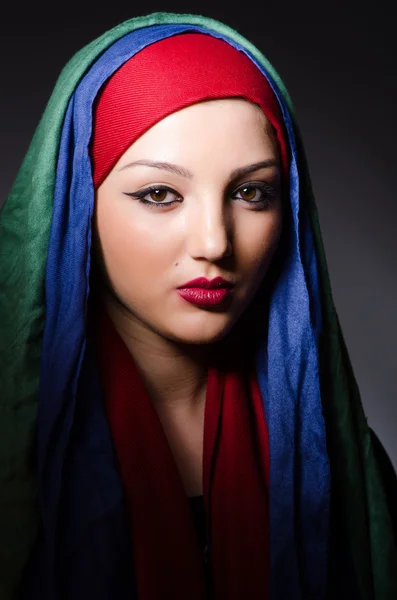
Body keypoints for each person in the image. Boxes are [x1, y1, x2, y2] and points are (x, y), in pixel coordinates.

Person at [0, 11, 396, 600]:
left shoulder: (343, 459)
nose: (215, 241)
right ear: (77, 203)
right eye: (160, 194)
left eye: (249, 192)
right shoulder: (13, 455)